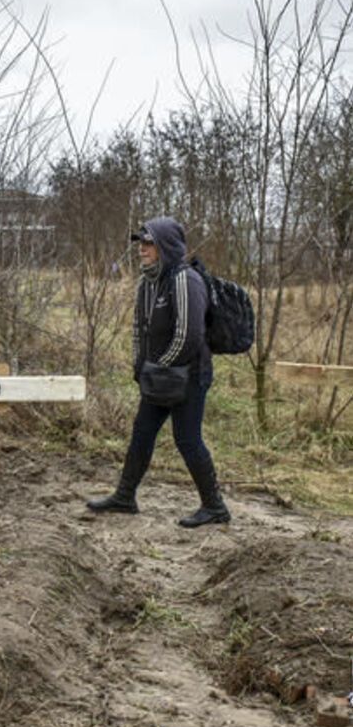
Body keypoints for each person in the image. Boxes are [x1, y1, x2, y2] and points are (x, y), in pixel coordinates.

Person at [86, 217, 231, 527]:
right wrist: (140, 366)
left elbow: (189, 335)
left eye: (148, 242)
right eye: (140, 242)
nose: (142, 248)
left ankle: (215, 507)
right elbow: (139, 328)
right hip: (159, 376)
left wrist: (160, 365)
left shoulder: (185, 280)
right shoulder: (146, 282)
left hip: (191, 375)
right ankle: (125, 497)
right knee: (142, 433)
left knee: (187, 439)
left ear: (165, 246)